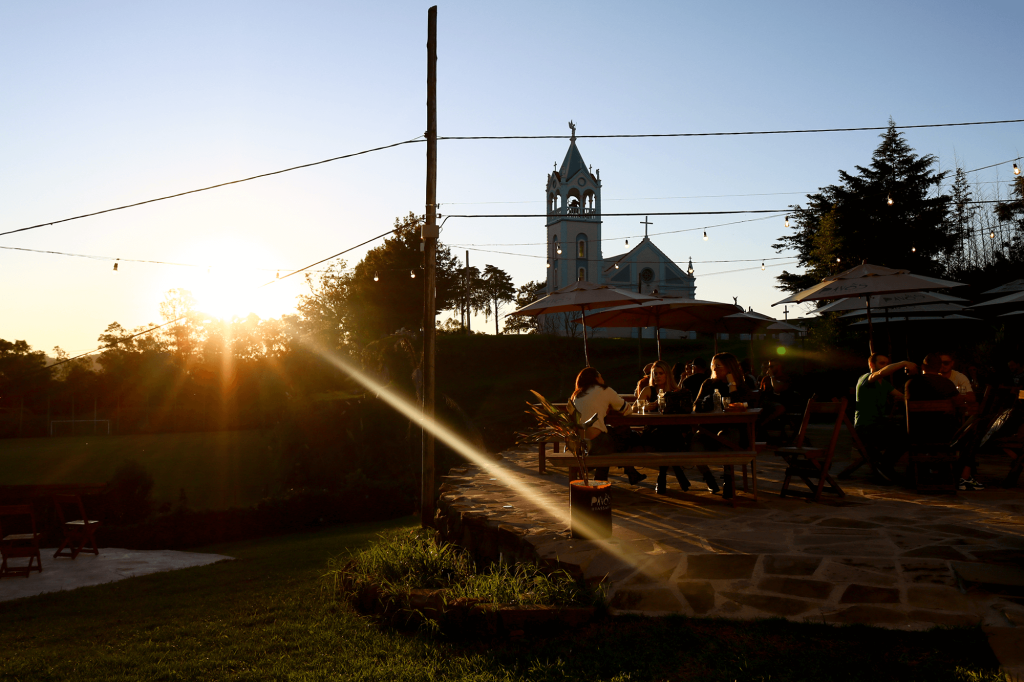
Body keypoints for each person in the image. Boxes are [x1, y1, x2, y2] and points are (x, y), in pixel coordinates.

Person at [906, 353, 983, 491]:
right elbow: (960, 404)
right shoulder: (946, 384)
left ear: (923, 366)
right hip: (945, 435)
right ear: (939, 367)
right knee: (972, 432)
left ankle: (924, 472)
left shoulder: (911, 383)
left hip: (917, 434)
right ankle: (964, 478)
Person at [567, 367, 646, 485]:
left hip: (580, 442)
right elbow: (627, 410)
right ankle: (622, 474)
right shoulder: (604, 390)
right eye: (600, 376)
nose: (602, 378)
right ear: (596, 378)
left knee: (614, 436)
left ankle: (629, 473)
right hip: (597, 441)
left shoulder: (576, 395)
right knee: (624, 436)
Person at [691, 352, 754, 496]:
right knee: (695, 443)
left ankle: (728, 479)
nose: (715, 369)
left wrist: (732, 384)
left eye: (719, 366)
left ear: (729, 367)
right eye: (713, 366)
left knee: (727, 436)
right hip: (709, 428)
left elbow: (749, 403)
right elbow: (696, 405)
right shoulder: (708, 384)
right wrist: (705, 404)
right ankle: (709, 478)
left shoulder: (741, 385)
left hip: (732, 428)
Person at [855, 353, 916, 483]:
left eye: (886, 364)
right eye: (882, 363)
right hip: (865, 427)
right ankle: (884, 465)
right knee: (904, 434)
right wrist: (903, 363)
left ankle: (884, 464)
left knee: (908, 431)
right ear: (871, 364)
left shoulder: (885, 384)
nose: (885, 367)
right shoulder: (867, 378)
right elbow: (879, 374)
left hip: (878, 425)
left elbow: (903, 397)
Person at [638, 360, 694, 493]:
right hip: (652, 432)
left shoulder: (676, 392)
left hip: (672, 432)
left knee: (669, 435)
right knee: (666, 437)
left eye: (660, 373)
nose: (657, 376)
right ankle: (677, 472)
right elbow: (635, 406)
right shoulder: (648, 390)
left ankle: (662, 476)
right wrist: (646, 406)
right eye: (655, 373)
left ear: (667, 375)